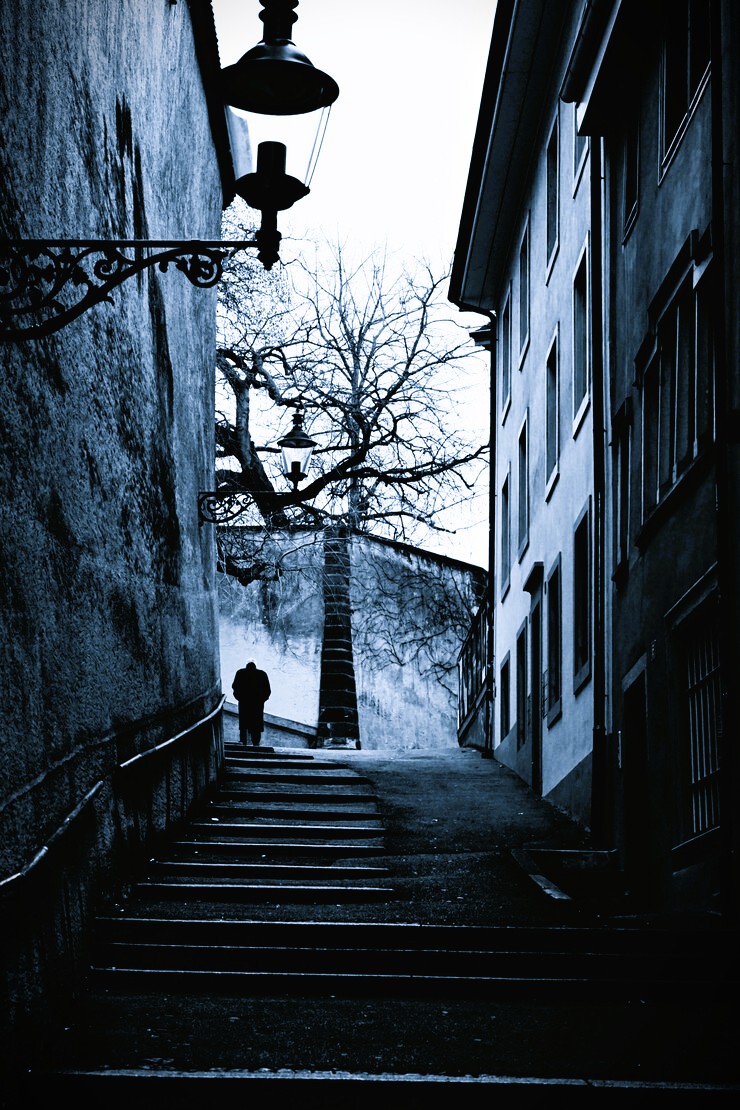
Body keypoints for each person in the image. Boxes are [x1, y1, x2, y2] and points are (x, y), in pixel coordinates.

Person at [232, 660, 271, 746]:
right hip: (257, 704)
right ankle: (256, 744)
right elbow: (267, 690)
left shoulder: (240, 673)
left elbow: (235, 687)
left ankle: (243, 743)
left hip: (244, 703)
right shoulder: (262, 674)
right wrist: (261, 700)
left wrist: (240, 698)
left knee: (243, 724)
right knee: (256, 725)